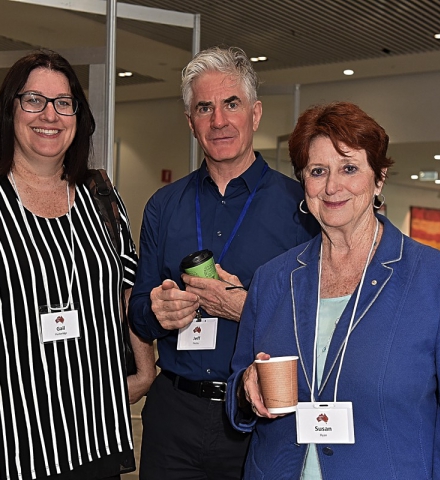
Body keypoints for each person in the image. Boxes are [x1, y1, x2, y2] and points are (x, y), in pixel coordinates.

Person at [226, 101, 440, 479]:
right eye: (318, 171)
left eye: (349, 168)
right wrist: (246, 392)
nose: (332, 186)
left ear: (378, 178)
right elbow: (237, 392)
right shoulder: (273, 279)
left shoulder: (436, 280)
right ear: (303, 182)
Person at [129, 46, 318, 480]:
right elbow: (139, 311)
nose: (218, 120)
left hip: (257, 420)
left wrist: (246, 308)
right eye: (204, 107)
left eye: (231, 104)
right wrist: (157, 312)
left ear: (255, 113)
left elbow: (317, 324)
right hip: (172, 413)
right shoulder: (163, 206)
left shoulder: (300, 209)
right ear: (190, 122)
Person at [0, 49, 155, 480]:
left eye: (63, 102)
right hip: (11, 446)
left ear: (77, 114)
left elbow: (127, 285)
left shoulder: (99, 195)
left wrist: (144, 369)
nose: (49, 114)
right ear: (9, 110)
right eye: (33, 99)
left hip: (96, 435)